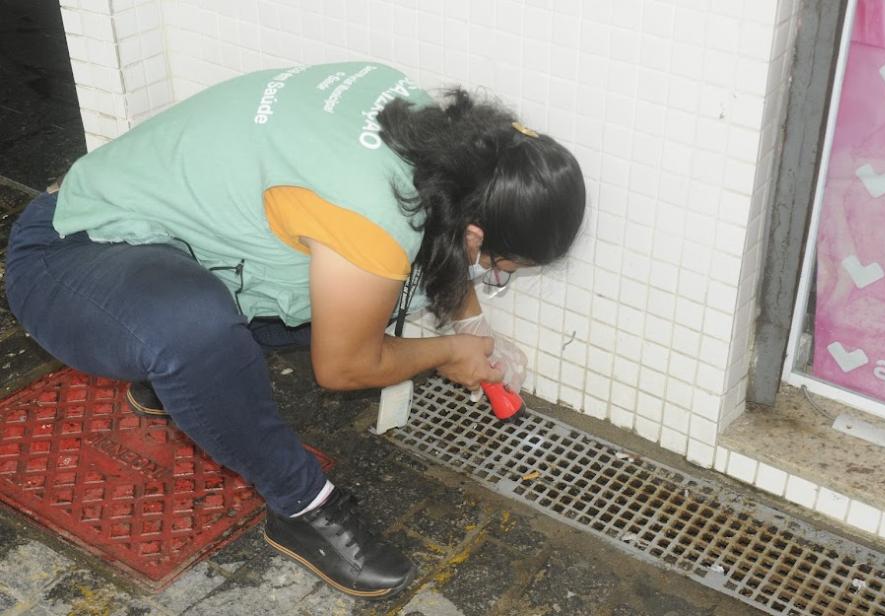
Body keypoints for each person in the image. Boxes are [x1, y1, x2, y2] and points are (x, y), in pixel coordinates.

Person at [5, 61, 585, 600]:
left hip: (159, 248)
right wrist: (447, 353)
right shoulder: (371, 215)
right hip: (67, 254)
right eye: (499, 268)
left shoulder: (418, 119)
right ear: (479, 236)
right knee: (202, 329)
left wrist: (472, 322)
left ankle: (182, 384)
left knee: (361, 304)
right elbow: (342, 368)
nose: (489, 275)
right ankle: (303, 507)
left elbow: (446, 222)